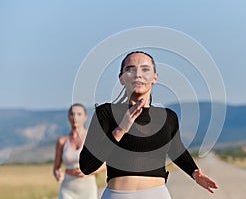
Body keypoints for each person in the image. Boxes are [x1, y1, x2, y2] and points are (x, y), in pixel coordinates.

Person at [79, 51, 218, 199]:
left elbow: (176, 150)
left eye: (145, 69)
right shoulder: (106, 113)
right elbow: (87, 166)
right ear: (121, 78)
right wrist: (121, 130)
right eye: (130, 69)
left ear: (154, 78)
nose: (138, 74)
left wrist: (195, 172)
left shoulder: (168, 117)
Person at [53, 103, 100, 199]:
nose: (75, 117)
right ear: (68, 117)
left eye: (79, 114)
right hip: (67, 189)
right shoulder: (62, 141)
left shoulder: (92, 138)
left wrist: (88, 170)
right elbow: (56, 168)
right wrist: (58, 174)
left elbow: (104, 165)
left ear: (85, 117)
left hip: (88, 189)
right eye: (72, 114)